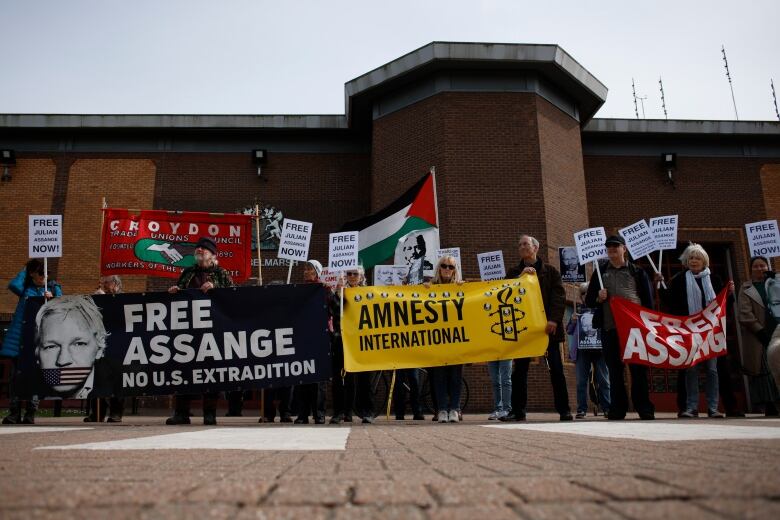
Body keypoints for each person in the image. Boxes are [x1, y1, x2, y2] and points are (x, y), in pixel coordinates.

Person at [657, 243, 734, 418]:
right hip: (689, 332)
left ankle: (713, 407)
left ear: (704, 261)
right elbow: (670, 303)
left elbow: (724, 306)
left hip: (710, 331)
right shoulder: (678, 279)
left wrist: (730, 295)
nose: (693, 261)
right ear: (686, 261)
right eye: (691, 258)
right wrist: (660, 285)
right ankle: (691, 407)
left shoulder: (715, 279)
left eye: (697, 258)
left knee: (712, 370)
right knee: (691, 369)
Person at [502, 235, 572, 422]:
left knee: (556, 370)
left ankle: (564, 410)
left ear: (536, 248)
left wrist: (554, 321)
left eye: (526, 244)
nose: (522, 247)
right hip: (524, 331)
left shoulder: (550, 271)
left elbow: (559, 298)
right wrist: (520, 277)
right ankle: (518, 411)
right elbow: (504, 293)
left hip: (547, 330)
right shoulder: (513, 272)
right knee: (519, 372)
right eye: (520, 245)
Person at [584, 235, 655, 420]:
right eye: (608, 246)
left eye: (615, 246)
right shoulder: (600, 272)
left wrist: (649, 325)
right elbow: (589, 300)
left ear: (624, 249)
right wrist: (598, 297)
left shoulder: (637, 272)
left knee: (638, 369)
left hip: (635, 329)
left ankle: (644, 408)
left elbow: (648, 301)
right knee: (614, 370)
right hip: (610, 328)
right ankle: (618, 409)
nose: (612, 249)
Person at [165, 237, 234, 426]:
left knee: (210, 372)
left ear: (213, 255)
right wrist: (175, 291)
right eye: (198, 249)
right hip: (187, 334)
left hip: (212, 332)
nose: (200, 251)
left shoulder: (221, 274)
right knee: (183, 372)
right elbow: (179, 296)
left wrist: (216, 288)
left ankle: (209, 414)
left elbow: (234, 296)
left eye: (204, 249)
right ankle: (181, 413)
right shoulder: (188, 273)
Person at [2, 260, 62, 424]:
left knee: (35, 377)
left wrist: (53, 295)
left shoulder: (51, 289)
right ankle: (14, 412)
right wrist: (25, 269)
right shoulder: (25, 290)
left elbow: (60, 307)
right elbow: (14, 285)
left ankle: (30, 413)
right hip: (19, 341)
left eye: (46, 273)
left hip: (39, 341)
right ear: (32, 274)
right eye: (41, 273)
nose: (44, 276)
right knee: (16, 378)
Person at [34, 295, 122, 400]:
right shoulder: (31, 389)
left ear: (99, 348)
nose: (63, 360)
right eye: (51, 346)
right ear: (37, 352)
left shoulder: (117, 380)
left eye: (78, 344)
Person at [424, 255, 465, 423]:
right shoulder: (429, 286)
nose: (447, 269)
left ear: (455, 270)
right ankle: (441, 409)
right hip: (437, 340)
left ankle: (454, 408)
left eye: (451, 267)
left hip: (456, 340)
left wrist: (464, 290)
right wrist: (422, 290)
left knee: (455, 376)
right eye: (444, 265)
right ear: (439, 268)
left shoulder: (461, 287)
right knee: (439, 376)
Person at [738, 256, 780, 416]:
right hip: (760, 336)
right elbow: (744, 313)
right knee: (765, 370)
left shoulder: (775, 284)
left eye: (762, 266)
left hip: (777, 330)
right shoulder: (746, 288)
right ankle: (770, 404)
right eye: (756, 266)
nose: (760, 269)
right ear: (750, 269)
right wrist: (759, 330)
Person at [293, 260, 329, 424]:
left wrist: (334, 293)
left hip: (320, 337)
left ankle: (319, 413)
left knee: (318, 380)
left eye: (310, 269)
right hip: (302, 337)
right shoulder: (298, 290)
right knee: (303, 377)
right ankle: (302, 414)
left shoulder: (324, 290)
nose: (306, 271)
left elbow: (335, 309)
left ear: (317, 272)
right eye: (305, 269)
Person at [566, 282, 610, 419]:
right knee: (581, 381)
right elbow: (569, 330)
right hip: (582, 350)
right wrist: (573, 320)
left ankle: (607, 407)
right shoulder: (578, 310)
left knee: (604, 380)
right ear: (581, 296)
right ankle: (581, 409)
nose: (586, 295)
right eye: (584, 293)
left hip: (600, 349)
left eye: (589, 293)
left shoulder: (603, 309)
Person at [86, 275, 126, 422]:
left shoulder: (123, 298)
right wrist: (95, 301)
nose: (102, 284)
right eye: (102, 282)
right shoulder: (99, 296)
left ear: (115, 284)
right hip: (99, 344)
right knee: (97, 378)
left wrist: (106, 301)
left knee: (116, 380)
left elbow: (118, 316)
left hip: (117, 346)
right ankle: (97, 413)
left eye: (106, 282)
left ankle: (116, 413)